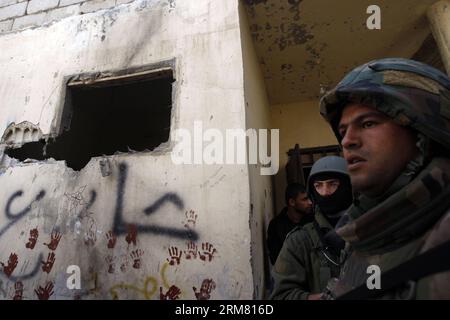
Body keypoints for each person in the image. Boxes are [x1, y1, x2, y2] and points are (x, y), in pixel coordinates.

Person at [319, 57, 450, 299]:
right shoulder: (360, 231)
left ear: (422, 136)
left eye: (368, 123)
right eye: (343, 131)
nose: (348, 141)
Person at [270, 156, 352, 300]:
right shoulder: (300, 240)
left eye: (333, 184)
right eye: (318, 186)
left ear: (348, 186)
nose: (325, 192)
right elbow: (280, 295)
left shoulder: (373, 231)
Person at [267, 183, 313, 265]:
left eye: (309, 198)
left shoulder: (313, 220)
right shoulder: (276, 226)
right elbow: (276, 260)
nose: (310, 202)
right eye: (304, 199)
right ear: (292, 202)